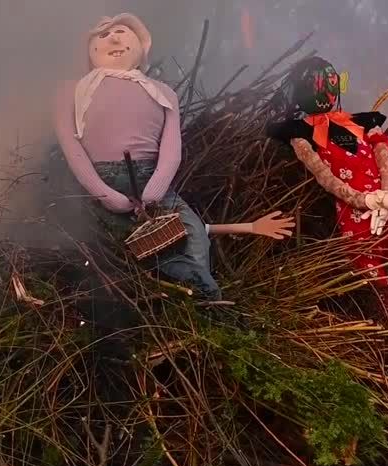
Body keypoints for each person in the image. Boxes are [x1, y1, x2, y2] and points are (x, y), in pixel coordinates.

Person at [53, 13, 293, 300]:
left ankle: (200, 296)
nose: (114, 38)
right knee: (124, 248)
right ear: (89, 51)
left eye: (121, 32)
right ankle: (199, 293)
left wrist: (156, 187)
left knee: (193, 233)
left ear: (142, 45)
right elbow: (71, 147)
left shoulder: (163, 93)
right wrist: (102, 192)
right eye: (102, 36)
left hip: (154, 179)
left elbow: (171, 148)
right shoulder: (72, 92)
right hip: (101, 181)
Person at [266, 56, 388, 366]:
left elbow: (385, 161)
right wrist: (365, 202)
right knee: (372, 273)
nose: (328, 89)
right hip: (353, 215)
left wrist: (387, 194)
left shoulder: (362, 123)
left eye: (330, 81)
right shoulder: (302, 134)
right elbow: (325, 177)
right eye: (320, 83)